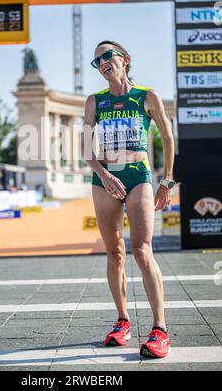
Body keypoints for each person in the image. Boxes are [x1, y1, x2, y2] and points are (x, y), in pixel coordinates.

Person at [82, 40, 175, 359]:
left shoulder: (147, 96)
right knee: (115, 253)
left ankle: (160, 329)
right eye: (97, 62)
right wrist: (105, 176)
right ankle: (123, 321)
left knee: (142, 249)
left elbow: (167, 136)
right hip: (104, 178)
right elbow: (86, 150)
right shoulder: (94, 101)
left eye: (107, 56)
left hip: (138, 175)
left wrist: (166, 180)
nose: (103, 63)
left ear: (125, 60)